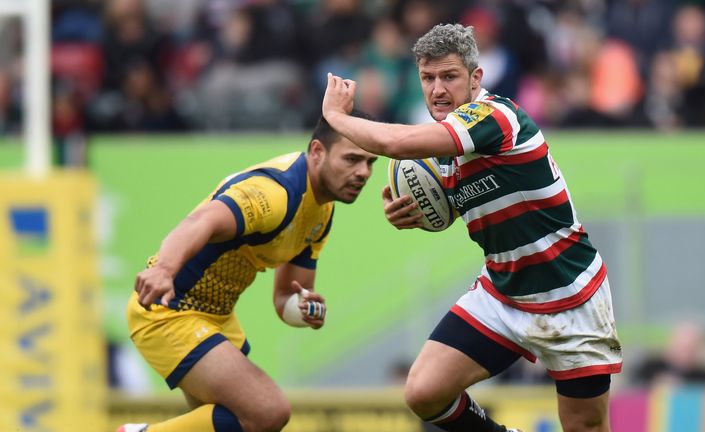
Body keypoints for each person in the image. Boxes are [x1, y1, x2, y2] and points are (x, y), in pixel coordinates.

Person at [322, 24, 623, 432]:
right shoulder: (444, 151)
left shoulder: (495, 116)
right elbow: (474, 204)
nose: (437, 89)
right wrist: (417, 215)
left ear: (476, 78)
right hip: (503, 292)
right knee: (424, 392)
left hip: (568, 294)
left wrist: (335, 116)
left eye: (449, 76)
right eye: (427, 78)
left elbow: (396, 145)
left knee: (585, 427)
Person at [117, 110, 378, 432]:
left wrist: (304, 307)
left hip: (218, 318)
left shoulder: (322, 212)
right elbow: (201, 221)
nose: (363, 172)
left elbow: (285, 296)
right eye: (352, 159)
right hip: (170, 310)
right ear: (317, 152)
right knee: (267, 411)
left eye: (370, 163)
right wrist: (165, 269)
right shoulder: (275, 194)